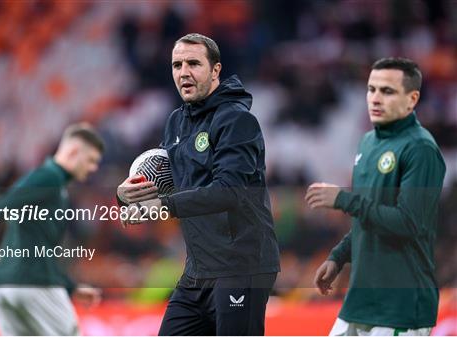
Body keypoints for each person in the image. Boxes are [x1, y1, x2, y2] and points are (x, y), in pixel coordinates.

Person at [117, 33, 280, 336]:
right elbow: (163, 180)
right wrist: (126, 197)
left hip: (240, 266)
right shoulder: (176, 122)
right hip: (197, 269)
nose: (184, 72)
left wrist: (161, 207)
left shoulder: (237, 122)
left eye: (194, 63)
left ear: (215, 70)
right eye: (177, 65)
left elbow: (229, 191)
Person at [305, 57, 446, 336]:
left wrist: (343, 200)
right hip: (361, 300)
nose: (375, 98)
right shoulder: (368, 143)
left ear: (412, 99)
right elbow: (370, 216)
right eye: (371, 89)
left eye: (388, 91)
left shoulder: (421, 149)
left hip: (401, 308)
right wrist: (339, 256)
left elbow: (409, 223)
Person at [0, 123, 104, 335]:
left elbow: (41, 250)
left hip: (6, 285)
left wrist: (70, 287)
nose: (93, 168)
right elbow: (2, 204)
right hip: (33, 285)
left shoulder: (54, 185)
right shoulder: (49, 177)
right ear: (74, 151)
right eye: (91, 161)